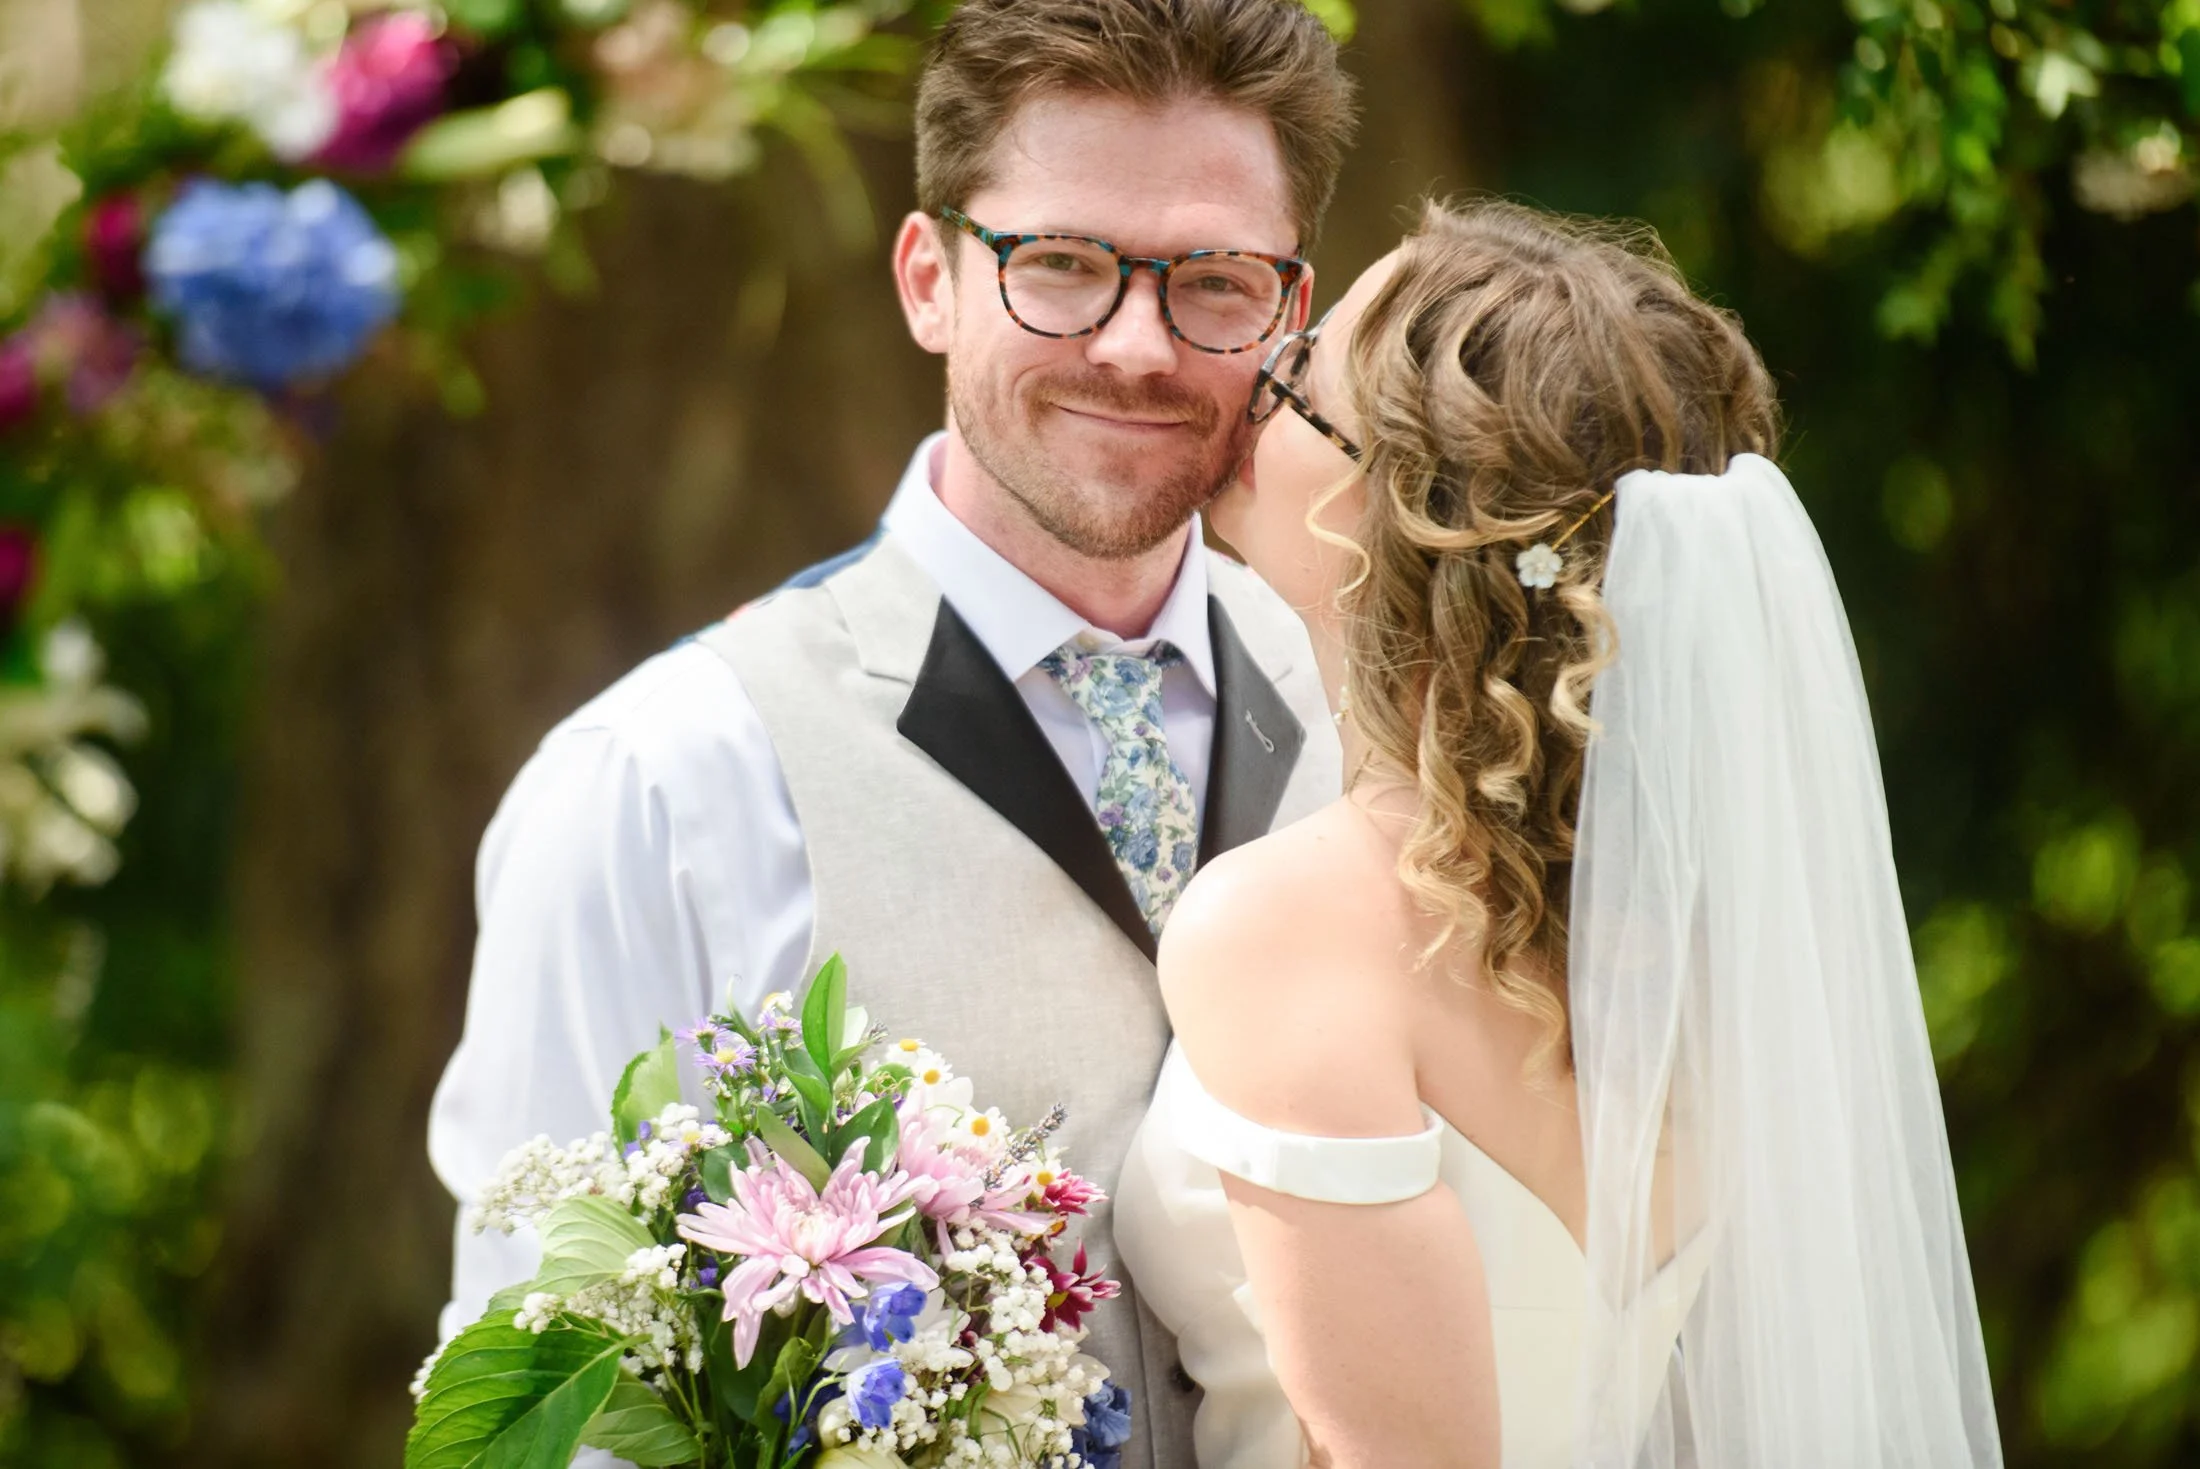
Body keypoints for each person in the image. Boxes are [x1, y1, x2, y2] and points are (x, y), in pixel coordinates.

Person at [426, 4, 1354, 1465]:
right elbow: (551, 1427)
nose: (1136, 345)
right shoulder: (662, 784)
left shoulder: (1387, 729)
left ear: (1290, 309)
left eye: (1216, 283)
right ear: (930, 278)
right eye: (1059, 265)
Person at [1115, 199, 2006, 1468]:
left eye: (1304, 385)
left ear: (1411, 519)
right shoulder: (1701, 939)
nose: (1253, 390)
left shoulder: (1287, 925)